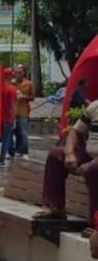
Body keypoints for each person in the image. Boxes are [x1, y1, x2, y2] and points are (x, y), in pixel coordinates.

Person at [33, 100, 98, 235]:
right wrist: (69, 154)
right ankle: (54, 207)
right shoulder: (95, 106)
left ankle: (95, 224)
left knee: (94, 169)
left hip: (95, 163)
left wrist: (92, 164)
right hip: (90, 154)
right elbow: (74, 132)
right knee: (56, 154)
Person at [0, 68, 18, 165]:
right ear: (10, 76)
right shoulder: (12, 89)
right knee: (6, 139)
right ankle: (2, 159)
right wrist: (14, 118)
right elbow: (13, 105)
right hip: (8, 118)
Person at [12, 65, 34, 157]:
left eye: (20, 72)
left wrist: (23, 97)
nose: (18, 74)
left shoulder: (29, 84)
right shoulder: (11, 83)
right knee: (15, 131)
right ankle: (16, 149)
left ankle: (24, 150)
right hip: (12, 111)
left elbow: (32, 97)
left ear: (24, 73)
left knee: (23, 132)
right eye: (17, 72)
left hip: (23, 111)